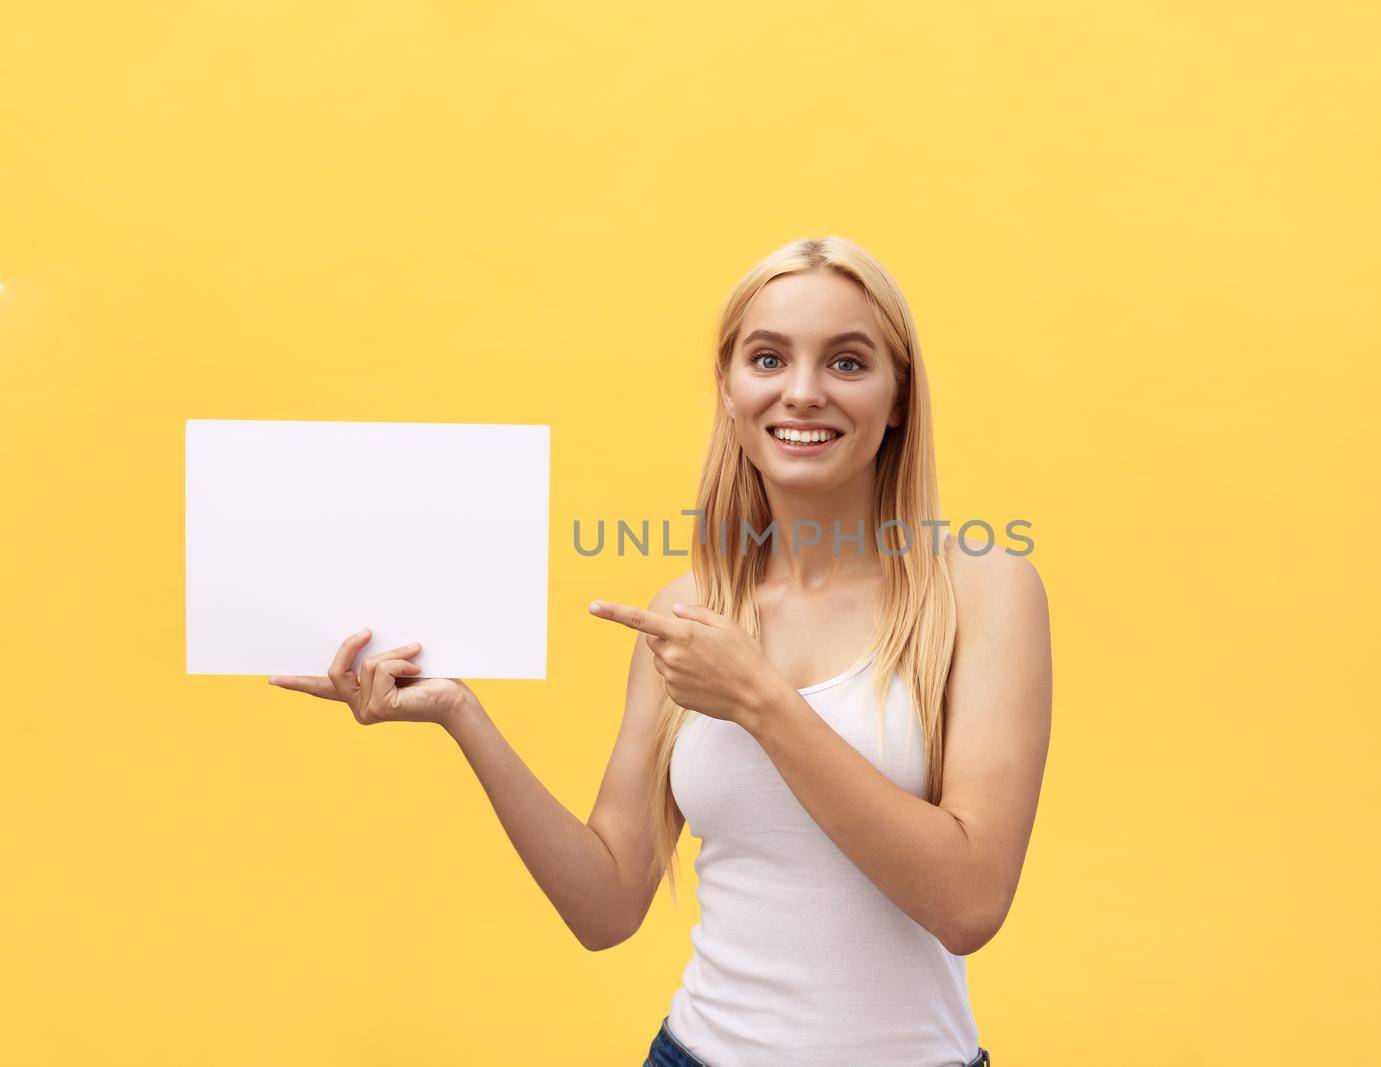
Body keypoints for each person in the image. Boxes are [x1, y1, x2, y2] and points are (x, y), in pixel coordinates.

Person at [269, 235, 1051, 1066]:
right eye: (767, 357)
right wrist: (463, 714)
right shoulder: (690, 612)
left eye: (849, 363)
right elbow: (606, 906)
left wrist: (760, 700)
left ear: (898, 397)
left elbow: (969, 904)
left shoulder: (982, 591)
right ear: (728, 387)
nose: (803, 391)